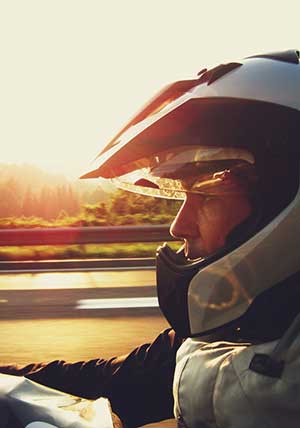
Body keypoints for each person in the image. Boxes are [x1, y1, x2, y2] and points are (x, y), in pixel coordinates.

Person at [1, 49, 300, 427]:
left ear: (282, 200)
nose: (179, 226)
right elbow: (112, 382)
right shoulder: (224, 329)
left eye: (207, 196)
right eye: (184, 195)